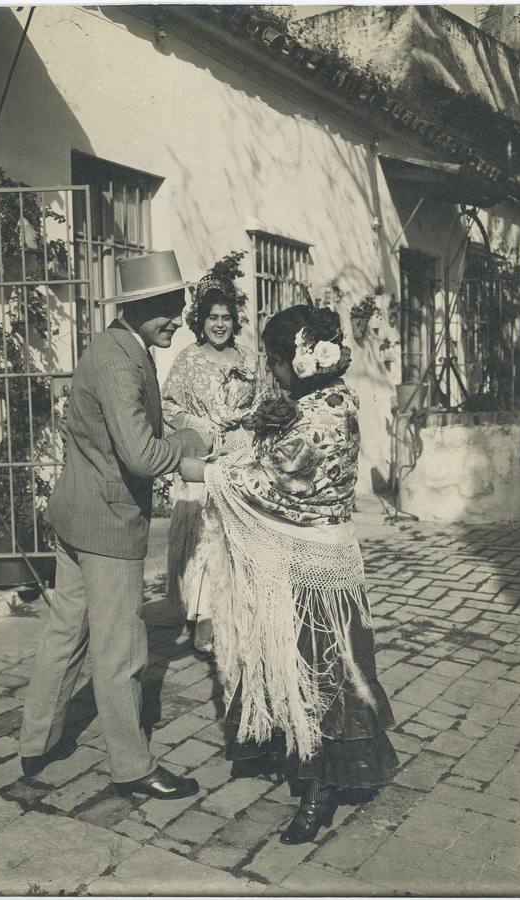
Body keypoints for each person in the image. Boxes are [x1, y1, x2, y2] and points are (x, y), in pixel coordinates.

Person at [179, 303, 398, 843]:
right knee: (327, 669)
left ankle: (320, 789)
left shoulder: (318, 416)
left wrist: (201, 470)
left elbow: (269, 479)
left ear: (299, 361)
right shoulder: (333, 397)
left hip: (313, 570)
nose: (272, 373)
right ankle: (309, 765)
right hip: (330, 559)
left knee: (321, 675)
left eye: (275, 363)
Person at [20, 251, 212, 801]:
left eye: (179, 305)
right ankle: (132, 766)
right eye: (166, 309)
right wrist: (192, 444)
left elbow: (124, 429)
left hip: (78, 513)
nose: (177, 318)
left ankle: (36, 744)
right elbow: (143, 457)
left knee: (65, 632)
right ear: (138, 306)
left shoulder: (119, 347)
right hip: (107, 522)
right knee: (122, 649)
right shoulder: (121, 359)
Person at [161, 273, 264, 654]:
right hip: (201, 456)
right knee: (204, 534)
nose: (220, 324)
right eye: (212, 318)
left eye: (225, 317)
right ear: (200, 322)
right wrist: (200, 428)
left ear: (234, 321)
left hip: (238, 456)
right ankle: (203, 615)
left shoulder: (249, 361)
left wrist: (246, 427)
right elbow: (168, 404)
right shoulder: (188, 360)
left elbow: (261, 404)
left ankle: (236, 611)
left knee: (235, 535)